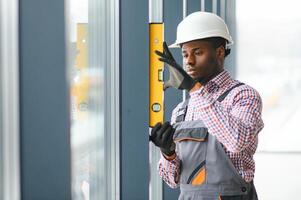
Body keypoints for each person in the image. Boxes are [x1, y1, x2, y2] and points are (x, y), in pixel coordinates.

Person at [150, 11, 264, 200]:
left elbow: (236, 141)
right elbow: (172, 181)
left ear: (219, 52)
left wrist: (194, 88)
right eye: (185, 54)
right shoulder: (181, 110)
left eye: (198, 52)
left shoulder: (243, 95)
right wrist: (168, 152)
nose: (189, 61)